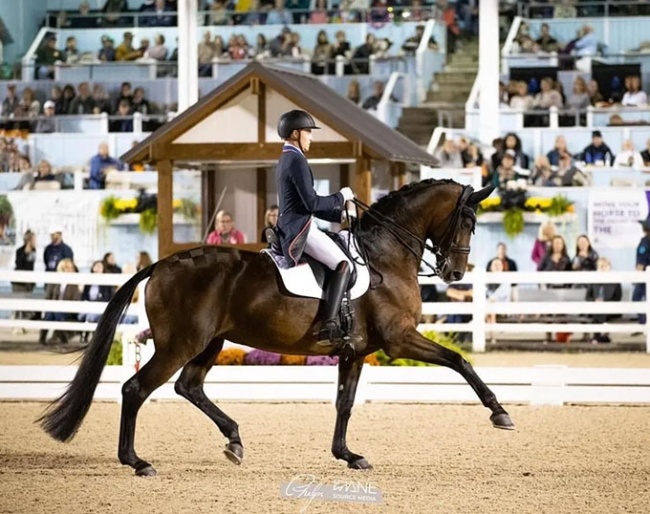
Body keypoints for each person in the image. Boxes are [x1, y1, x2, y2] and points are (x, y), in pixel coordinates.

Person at [274, 109, 360, 348]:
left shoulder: (287, 157)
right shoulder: (296, 159)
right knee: (344, 264)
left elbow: (305, 204)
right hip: (299, 230)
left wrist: (338, 214)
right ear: (295, 133)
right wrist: (341, 196)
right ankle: (329, 324)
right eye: (308, 132)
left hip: (296, 222)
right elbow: (311, 203)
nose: (311, 137)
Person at [586, 257, 622, 344]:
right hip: (595, 308)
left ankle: (597, 337)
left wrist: (606, 303)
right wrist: (595, 300)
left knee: (601, 312)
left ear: (609, 267)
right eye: (600, 266)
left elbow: (617, 298)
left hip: (611, 309)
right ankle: (602, 337)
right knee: (598, 311)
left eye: (605, 266)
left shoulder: (615, 282)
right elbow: (588, 297)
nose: (602, 268)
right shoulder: (593, 282)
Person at [11, 230, 37, 332]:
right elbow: (19, 263)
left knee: (26, 305)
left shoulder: (34, 251)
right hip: (18, 283)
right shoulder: (19, 251)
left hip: (28, 283)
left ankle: (23, 325)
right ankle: (16, 326)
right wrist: (25, 253)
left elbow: (31, 266)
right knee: (18, 305)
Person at [633, 219, 650, 325]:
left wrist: (637, 277)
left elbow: (641, 262)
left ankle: (644, 322)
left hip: (645, 276)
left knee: (637, 298)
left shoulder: (645, 242)